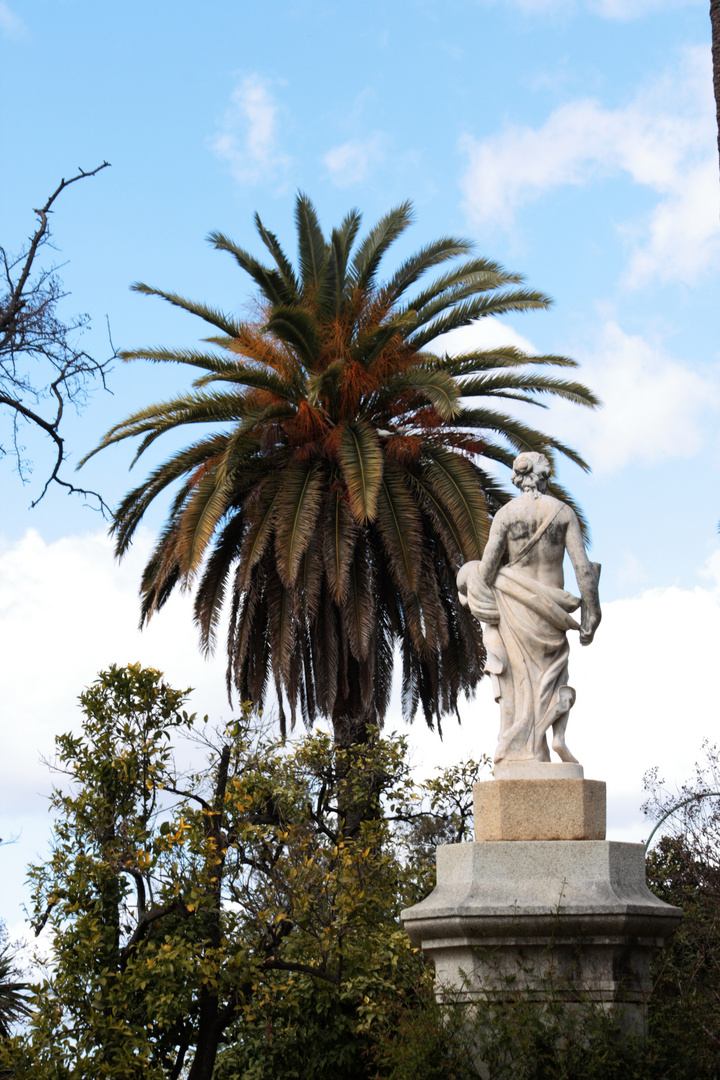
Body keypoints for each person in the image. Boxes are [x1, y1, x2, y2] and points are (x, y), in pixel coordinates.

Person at [457, 452, 601, 767]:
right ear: (545, 474)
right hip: (553, 611)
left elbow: (487, 570)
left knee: (520, 682)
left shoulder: (506, 515)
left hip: (515, 610)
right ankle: (552, 741)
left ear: (518, 477)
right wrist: (592, 613)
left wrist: (468, 585)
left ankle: (524, 747)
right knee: (554, 678)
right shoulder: (563, 513)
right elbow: (584, 571)